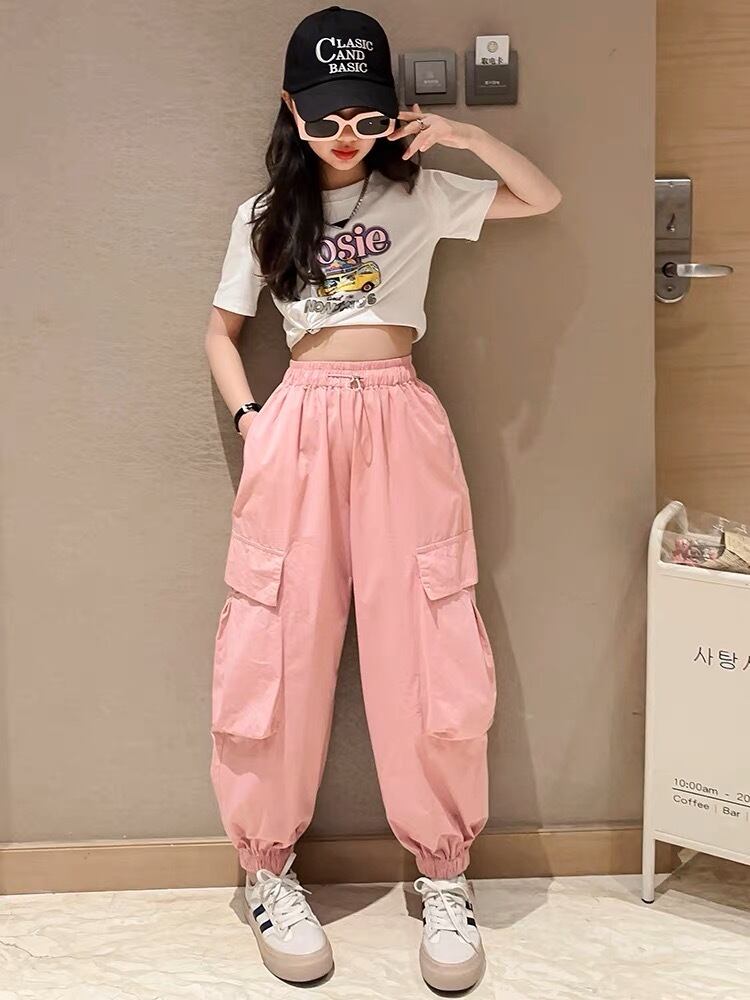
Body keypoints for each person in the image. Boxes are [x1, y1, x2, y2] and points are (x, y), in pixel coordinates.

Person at [204, 4, 561, 991]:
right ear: (292, 109)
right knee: (278, 638)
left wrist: (464, 134)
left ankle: (442, 874)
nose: (346, 135)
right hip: (298, 424)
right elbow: (221, 333)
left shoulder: (422, 192)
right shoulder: (262, 214)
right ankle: (268, 868)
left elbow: (542, 198)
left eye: (363, 116)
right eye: (326, 118)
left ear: (387, 112)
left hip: (402, 419)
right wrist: (253, 421)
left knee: (427, 639)